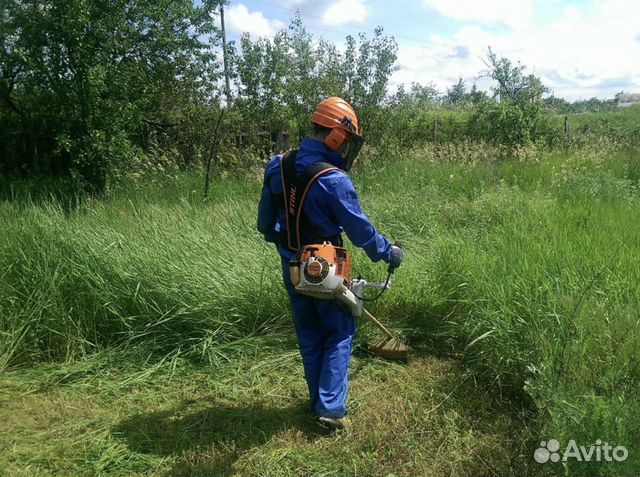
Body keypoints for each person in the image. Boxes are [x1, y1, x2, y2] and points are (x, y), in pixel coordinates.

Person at [257, 97, 403, 430]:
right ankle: (330, 410)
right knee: (338, 332)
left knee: (309, 333)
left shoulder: (277, 164)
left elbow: (265, 223)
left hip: (291, 265)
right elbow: (360, 230)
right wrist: (388, 252)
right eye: (346, 141)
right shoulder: (334, 180)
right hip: (327, 268)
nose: (346, 148)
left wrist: (288, 246)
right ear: (336, 136)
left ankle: (317, 402)